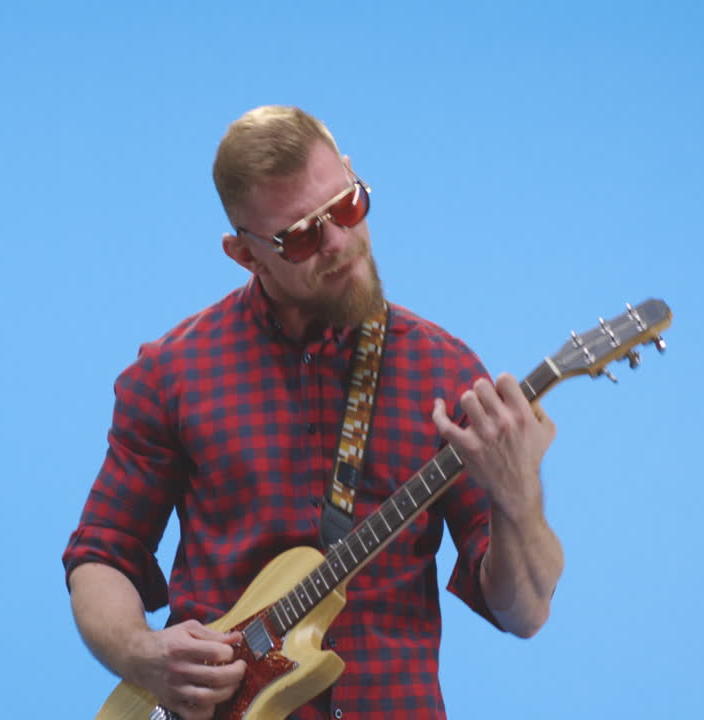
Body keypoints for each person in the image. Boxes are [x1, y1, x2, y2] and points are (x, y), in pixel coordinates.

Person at [63, 105, 564, 720]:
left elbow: (525, 611)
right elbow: (103, 553)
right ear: (245, 255)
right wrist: (143, 655)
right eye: (301, 235)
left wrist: (519, 499)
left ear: (353, 176)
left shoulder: (445, 373)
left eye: (348, 207)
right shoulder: (172, 372)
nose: (338, 244)